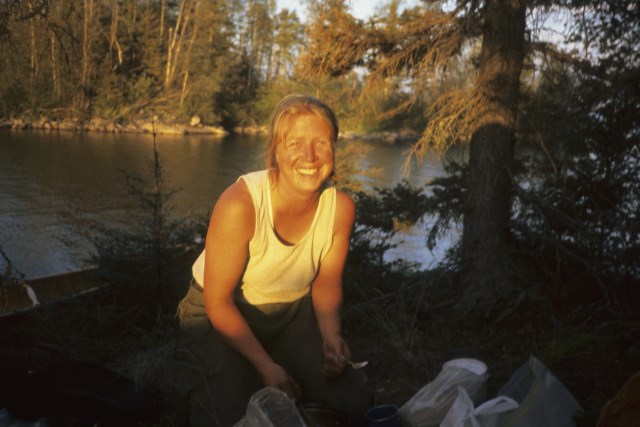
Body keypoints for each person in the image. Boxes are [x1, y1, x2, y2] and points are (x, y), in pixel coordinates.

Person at [173, 94, 372, 426]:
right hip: (217, 315)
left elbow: (325, 282)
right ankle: (199, 368)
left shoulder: (340, 209)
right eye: (295, 143)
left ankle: (280, 367)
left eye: (321, 142)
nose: (309, 156)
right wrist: (265, 365)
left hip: (289, 315)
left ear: (334, 148)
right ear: (275, 150)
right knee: (236, 413)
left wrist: (330, 335)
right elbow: (218, 301)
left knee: (353, 397)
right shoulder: (242, 203)